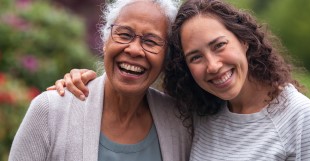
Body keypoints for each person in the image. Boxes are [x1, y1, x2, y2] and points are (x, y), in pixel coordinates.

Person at [50, 0, 310, 160]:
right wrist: (81, 80)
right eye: (195, 57)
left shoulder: (297, 116)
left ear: (245, 41)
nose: (213, 66)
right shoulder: (200, 111)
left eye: (219, 45)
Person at [9, 0, 191, 161]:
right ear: (105, 42)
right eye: (125, 34)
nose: (134, 50)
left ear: (166, 58)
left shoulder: (179, 122)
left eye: (151, 41)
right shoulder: (51, 111)